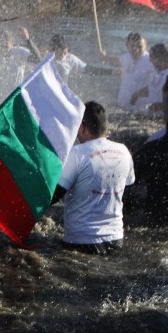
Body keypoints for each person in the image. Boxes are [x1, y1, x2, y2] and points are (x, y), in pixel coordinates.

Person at [52, 102, 134, 253]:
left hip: (81, 242)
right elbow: (127, 191)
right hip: (116, 239)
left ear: (83, 127)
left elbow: (53, 196)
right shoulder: (124, 151)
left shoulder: (77, 154)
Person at [109, 32, 152, 111]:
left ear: (145, 44)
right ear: (127, 46)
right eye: (132, 46)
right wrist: (104, 58)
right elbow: (115, 61)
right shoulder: (127, 57)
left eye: (139, 46)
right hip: (122, 106)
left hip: (140, 110)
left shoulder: (151, 61)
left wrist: (138, 94)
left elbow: (158, 85)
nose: (136, 50)